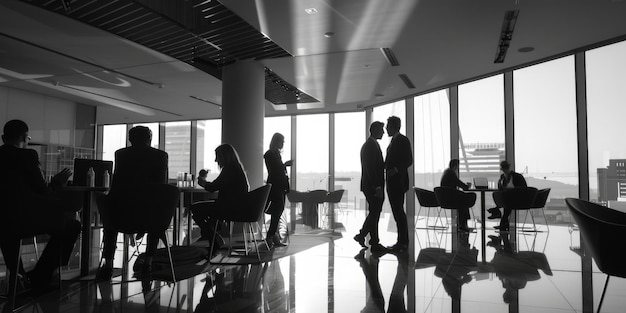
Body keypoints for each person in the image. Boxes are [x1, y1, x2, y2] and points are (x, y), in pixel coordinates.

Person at [0, 119, 81, 288]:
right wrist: (58, 182)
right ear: (24, 137)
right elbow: (44, 190)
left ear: (2, 138)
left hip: (3, 221)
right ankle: (40, 275)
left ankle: (19, 276)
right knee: (72, 226)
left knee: (7, 228)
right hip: (24, 220)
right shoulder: (28, 155)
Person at [97, 126, 169, 280]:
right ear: (150, 139)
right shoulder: (161, 156)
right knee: (156, 218)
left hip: (123, 215)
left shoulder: (121, 154)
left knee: (110, 221)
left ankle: (108, 263)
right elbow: (160, 187)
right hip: (149, 215)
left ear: (130, 139)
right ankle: (148, 263)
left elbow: (116, 186)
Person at [191, 144, 249, 247]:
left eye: (217, 156)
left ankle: (212, 236)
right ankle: (212, 233)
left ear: (224, 156)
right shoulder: (236, 168)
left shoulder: (229, 169)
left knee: (194, 208)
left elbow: (212, 187)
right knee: (204, 212)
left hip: (228, 208)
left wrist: (202, 182)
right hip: (236, 206)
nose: (215, 160)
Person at [353, 121, 387, 253]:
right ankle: (363, 235)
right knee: (375, 212)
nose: (383, 132)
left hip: (371, 185)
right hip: (373, 186)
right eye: (381, 130)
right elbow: (370, 168)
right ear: (376, 130)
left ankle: (373, 241)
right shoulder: (370, 146)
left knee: (375, 212)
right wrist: (377, 187)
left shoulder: (371, 145)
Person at [384, 116, 413, 252]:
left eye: (388, 126)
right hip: (392, 183)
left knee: (399, 213)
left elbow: (408, 160)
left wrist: (395, 169)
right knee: (397, 212)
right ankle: (401, 241)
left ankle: (403, 242)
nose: (386, 128)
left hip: (398, 182)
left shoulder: (402, 140)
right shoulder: (394, 141)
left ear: (394, 126)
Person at [263, 133, 292, 248]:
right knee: (277, 210)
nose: (283, 144)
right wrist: (285, 165)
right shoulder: (269, 154)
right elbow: (274, 169)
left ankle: (273, 235)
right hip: (275, 185)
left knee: (278, 211)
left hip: (280, 185)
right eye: (281, 141)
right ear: (276, 141)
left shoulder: (276, 154)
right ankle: (271, 236)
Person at [488, 160, 527, 231]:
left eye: (505, 169)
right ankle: (503, 223)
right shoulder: (502, 178)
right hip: (508, 199)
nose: (504, 171)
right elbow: (500, 189)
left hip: (518, 199)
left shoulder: (517, 177)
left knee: (508, 202)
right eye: (503, 169)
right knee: (498, 196)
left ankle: (498, 214)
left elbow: (524, 190)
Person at [440, 159, 473, 232]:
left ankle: (463, 224)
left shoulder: (447, 172)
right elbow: (461, 185)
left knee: (463, 200)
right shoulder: (451, 174)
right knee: (464, 201)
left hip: (444, 198)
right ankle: (463, 225)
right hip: (449, 199)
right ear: (456, 166)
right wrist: (467, 186)